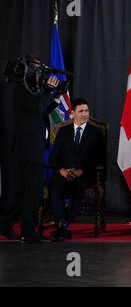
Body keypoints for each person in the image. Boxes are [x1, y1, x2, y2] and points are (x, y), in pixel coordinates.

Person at [0, 65, 60, 243]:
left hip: (31, 147)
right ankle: (28, 230)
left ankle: (6, 224)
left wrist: (54, 97)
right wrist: (48, 91)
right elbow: (36, 108)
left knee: (22, 190)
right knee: (33, 191)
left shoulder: (32, 92)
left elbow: (40, 112)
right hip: (28, 148)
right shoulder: (22, 90)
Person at [49, 98, 101, 241]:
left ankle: (65, 224)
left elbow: (99, 159)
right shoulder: (63, 131)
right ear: (72, 113)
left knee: (78, 186)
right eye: (81, 111)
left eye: (86, 111)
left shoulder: (95, 133)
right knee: (56, 185)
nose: (85, 114)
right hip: (64, 172)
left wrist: (81, 170)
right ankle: (63, 223)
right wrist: (62, 170)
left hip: (84, 174)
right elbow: (53, 158)